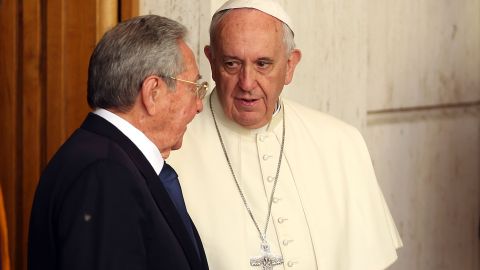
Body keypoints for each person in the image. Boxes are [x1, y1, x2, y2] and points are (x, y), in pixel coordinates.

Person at [168, 0, 403, 269]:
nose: (247, 83)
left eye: (263, 64)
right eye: (232, 64)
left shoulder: (341, 144)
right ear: (211, 61)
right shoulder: (172, 149)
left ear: (290, 65)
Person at [28, 15, 209, 270]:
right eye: (194, 88)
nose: (199, 105)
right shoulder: (104, 174)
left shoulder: (106, 159)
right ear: (153, 92)